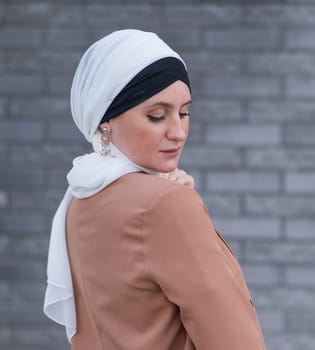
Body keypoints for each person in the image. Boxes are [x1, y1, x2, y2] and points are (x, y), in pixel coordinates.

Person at [43, 29, 266, 350]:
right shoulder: (165, 204)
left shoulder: (80, 197)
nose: (178, 132)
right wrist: (179, 203)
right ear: (105, 121)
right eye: (156, 115)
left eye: (185, 112)